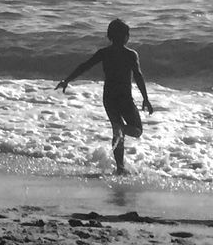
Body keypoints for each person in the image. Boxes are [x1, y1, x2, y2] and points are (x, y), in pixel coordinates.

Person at [55, 18, 155, 174]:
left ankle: (120, 167)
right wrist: (146, 99)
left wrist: (67, 80)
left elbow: (84, 66)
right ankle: (120, 164)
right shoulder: (131, 55)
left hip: (109, 98)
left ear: (110, 36)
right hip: (124, 98)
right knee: (137, 130)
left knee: (117, 133)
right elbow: (138, 76)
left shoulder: (104, 53)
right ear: (126, 37)